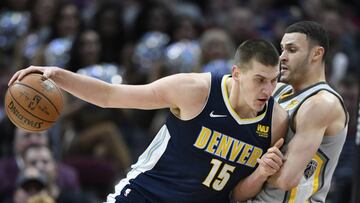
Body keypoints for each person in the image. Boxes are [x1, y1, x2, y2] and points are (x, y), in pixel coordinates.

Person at [9, 39, 288, 203]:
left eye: (274, 80)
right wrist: (58, 75)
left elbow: (236, 196)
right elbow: (111, 94)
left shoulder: (276, 120)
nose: (268, 89)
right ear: (237, 74)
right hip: (145, 196)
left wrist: (261, 174)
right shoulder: (194, 91)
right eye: (260, 80)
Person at [232, 21, 349, 203]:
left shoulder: (322, 103)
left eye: (292, 50)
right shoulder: (276, 90)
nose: (282, 57)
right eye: (282, 49)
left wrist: (251, 164)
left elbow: (287, 179)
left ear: (316, 54)